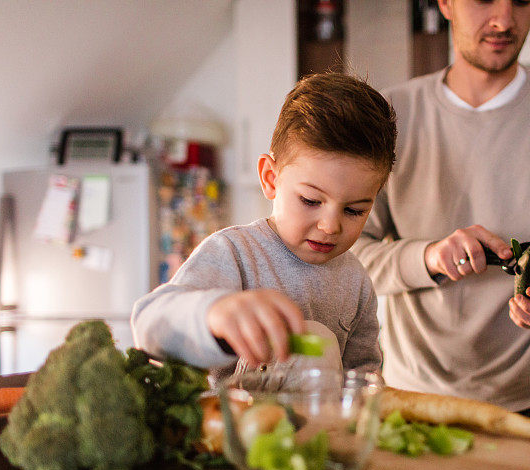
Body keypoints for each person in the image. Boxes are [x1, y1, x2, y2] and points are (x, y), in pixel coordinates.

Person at [352, 0, 530, 430]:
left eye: (521, 0)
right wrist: (429, 258)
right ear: (445, 3)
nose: (503, 20)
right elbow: (350, 257)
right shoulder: (388, 116)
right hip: (413, 400)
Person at [132, 73, 397, 378]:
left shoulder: (357, 282)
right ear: (270, 179)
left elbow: (363, 378)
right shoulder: (233, 254)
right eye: (311, 200)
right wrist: (214, 312)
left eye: (354, 210)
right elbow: (148, 325)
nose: (329, 226)